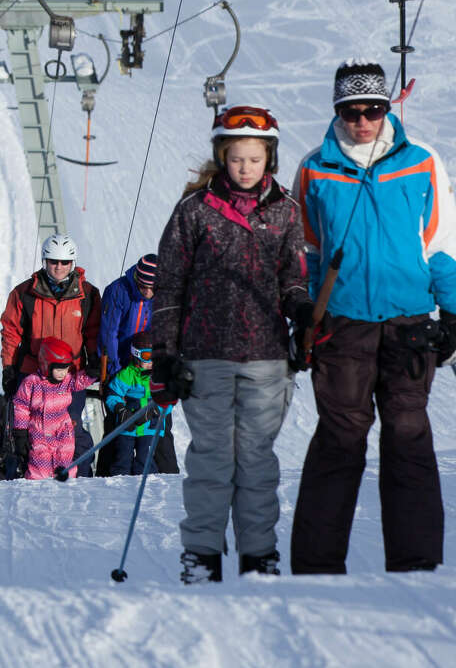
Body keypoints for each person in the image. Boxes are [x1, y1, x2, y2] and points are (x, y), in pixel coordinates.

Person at [289, 62, 456, 576]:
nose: (362, 120)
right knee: (341, 437)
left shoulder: (421, 161)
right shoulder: (314, 168)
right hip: (341, 326)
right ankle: (317, 569)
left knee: (408, 434)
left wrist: (453, 312)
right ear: (337, 111)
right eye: (351, 110)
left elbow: (441, 243)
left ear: (387, 108)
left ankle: (417, 565)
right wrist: (301, 316)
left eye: (372, 109)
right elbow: (304, 253)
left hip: (410, 323)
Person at [149, 104, 308, 584]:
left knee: (257, 459)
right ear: (223, 156)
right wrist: (164, 359)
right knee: (213, 458)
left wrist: (300, 310)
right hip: (206, 356)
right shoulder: (194, 212)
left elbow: (293, 280)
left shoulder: (285, 212)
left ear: (269, 160)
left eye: (255, 159)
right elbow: (170, 287)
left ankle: (259, 556)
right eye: (237, 158)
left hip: (265, 357)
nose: (245, 168)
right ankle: (202, 554)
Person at [97, 254, 177, 476]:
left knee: (160, 426)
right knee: (118, 427)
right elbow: (109, 334)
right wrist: (113, 373)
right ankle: (106, 476)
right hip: (123, 365)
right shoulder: (119, 291)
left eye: (154, 288)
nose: (149, 293)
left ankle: (167, 476)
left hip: (152, 366)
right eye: (144, 287)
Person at [0, 235, 101, 397]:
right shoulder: (24, 293)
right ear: (44, 261)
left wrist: (95, 358)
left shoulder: (88, 294)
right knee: (29, 420)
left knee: (69, 421)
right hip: (33, 372)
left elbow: (93, 332)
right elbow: (11, 332)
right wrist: (9, 367)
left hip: (70, 373)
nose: (59, 267)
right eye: (53, 261)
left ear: (72, 263)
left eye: (65, 262)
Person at [11, 337, 95, 479]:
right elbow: (21, 406)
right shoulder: (31, 382)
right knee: (40, 462)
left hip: (63, 428)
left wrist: (92, 373)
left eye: (66, 369)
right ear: (46, 365)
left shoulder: (67, 380)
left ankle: (67, 484)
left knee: (66, 458)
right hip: (39, 430)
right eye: (59, 369)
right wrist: (20, 431)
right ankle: (38, 488)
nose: (63, 373)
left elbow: (79, 381)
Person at [104, 335, 160, 478]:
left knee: (145, 458)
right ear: (136, 354)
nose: (150, 362)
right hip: (128, 425)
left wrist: (153, 410)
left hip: (148, 426)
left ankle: (148, 485)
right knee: (123, 457)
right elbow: (112, 394)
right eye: (147, 356)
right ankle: (119, 484)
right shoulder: (126, 375)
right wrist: (120, 409)